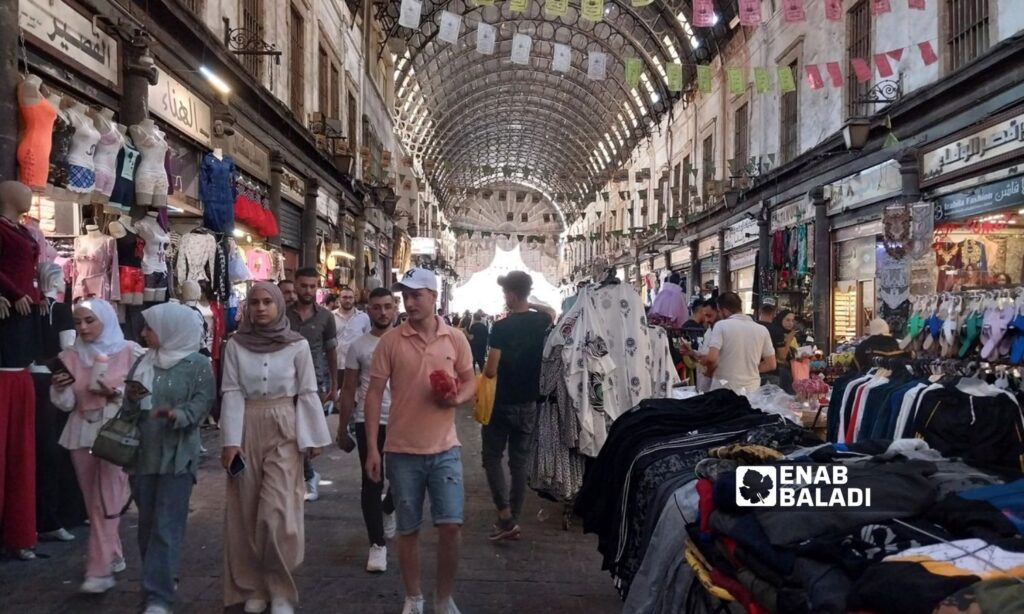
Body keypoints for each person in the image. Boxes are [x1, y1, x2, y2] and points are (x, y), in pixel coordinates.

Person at [363, 267, 478, 614]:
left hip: (445, 449)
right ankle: (413, 596)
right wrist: (372, 448)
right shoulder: (391, 342)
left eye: (416, 295)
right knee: (408, 529)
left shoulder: (455, 338)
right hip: (401, 451)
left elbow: (471, 380)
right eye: (406, 296)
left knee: (451, 527)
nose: (409, 303)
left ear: (433, 297)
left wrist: (458, 398)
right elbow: (373, 395)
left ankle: (444, 598)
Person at [220, 282, 332, 614]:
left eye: (268, 301)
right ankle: (254, 586)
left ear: (280, 305)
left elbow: (308, 390)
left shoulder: (296, 345)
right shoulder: (236, 346)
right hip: (246, 425)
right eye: (254, 302)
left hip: (285, 425)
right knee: (247, 511)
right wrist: (229, 442)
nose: (261, 308)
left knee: (276, 512)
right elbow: (231, 391)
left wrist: (312, 437)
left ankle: (281, 590)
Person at [50, 298, 145, 593]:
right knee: (94, 501)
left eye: (89, 321)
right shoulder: (70, 356)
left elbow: (143, 394)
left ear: (106, 319)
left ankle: (99, 568)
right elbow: (66, 404)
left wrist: (115, 393)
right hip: (81, 433)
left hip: (115, 434)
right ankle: (111, 555)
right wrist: (60, 388)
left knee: (108, 500)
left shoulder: (129, 352)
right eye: (78, 322)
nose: (83, 327)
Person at [126, 303, 215, 614]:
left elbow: (203, 404)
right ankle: (160, 580)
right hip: (143, 455)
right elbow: (129, 406)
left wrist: (178, 415)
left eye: (149, 328)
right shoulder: (141, 364)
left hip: (178, 457)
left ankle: (157, 596)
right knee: (147, 525)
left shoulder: (198, 366)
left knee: (166, 525)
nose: (143, 333)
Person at [482, 271, 554, 541]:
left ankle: (504, 515)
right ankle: (513, 518)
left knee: (491, 458)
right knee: (519, 462)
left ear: (511, 294)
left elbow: (490, 371)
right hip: (529, 402)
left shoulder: (501, 327)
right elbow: (551, 310)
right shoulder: (542, 320)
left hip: (501, 403)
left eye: (505, 293)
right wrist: (529, 303)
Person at [337, 287, 397, 572]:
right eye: (376, 307)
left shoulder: (407, 341)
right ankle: (377, 544)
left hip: (404, 421)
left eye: (387, 306)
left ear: (395, 308)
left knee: (402, 482)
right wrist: (341, 428)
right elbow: (349, 389)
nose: (382, 312)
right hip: (368, 421)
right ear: (368, 310)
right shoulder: (358, 346)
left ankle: (389, 508)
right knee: (371, 481)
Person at [286, 268, 338, 502]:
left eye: (312, 286)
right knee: (290, 432)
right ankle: (306, 476)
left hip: (314, 382)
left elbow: (331, 351)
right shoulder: (283, 315)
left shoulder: (326, 317)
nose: (308, 290)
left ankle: (307, 476)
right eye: (304, 285)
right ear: (295, 285)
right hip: (285, 381)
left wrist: (334, 384)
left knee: (305, 432)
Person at [701, 292, 776, 393]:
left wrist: (706, 368)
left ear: (724, 311)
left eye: (719, 311)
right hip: (751, 391)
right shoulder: (762, 330)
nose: (719, 314)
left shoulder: (721, 326)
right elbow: (771, 364)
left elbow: (711, 359)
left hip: (723, 390)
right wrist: (748, 370)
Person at [332, 285, 371, 375]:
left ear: (354, 299)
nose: (348, 300)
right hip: (335, 366)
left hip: (356, 367)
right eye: (344, 297)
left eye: (350, 297)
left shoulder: (363, 317)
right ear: (339, 299)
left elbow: (368, 342)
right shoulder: (331, 317)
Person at [770, 309, 798, 392]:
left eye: (792, 321)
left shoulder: (792, 336)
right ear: (780, 319)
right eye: (787, 320)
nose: (790, 323)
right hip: (778, 373)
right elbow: (781, 356)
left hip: (790, 372)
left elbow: (795, 353)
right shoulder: (776, 333)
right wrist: (788, 339)